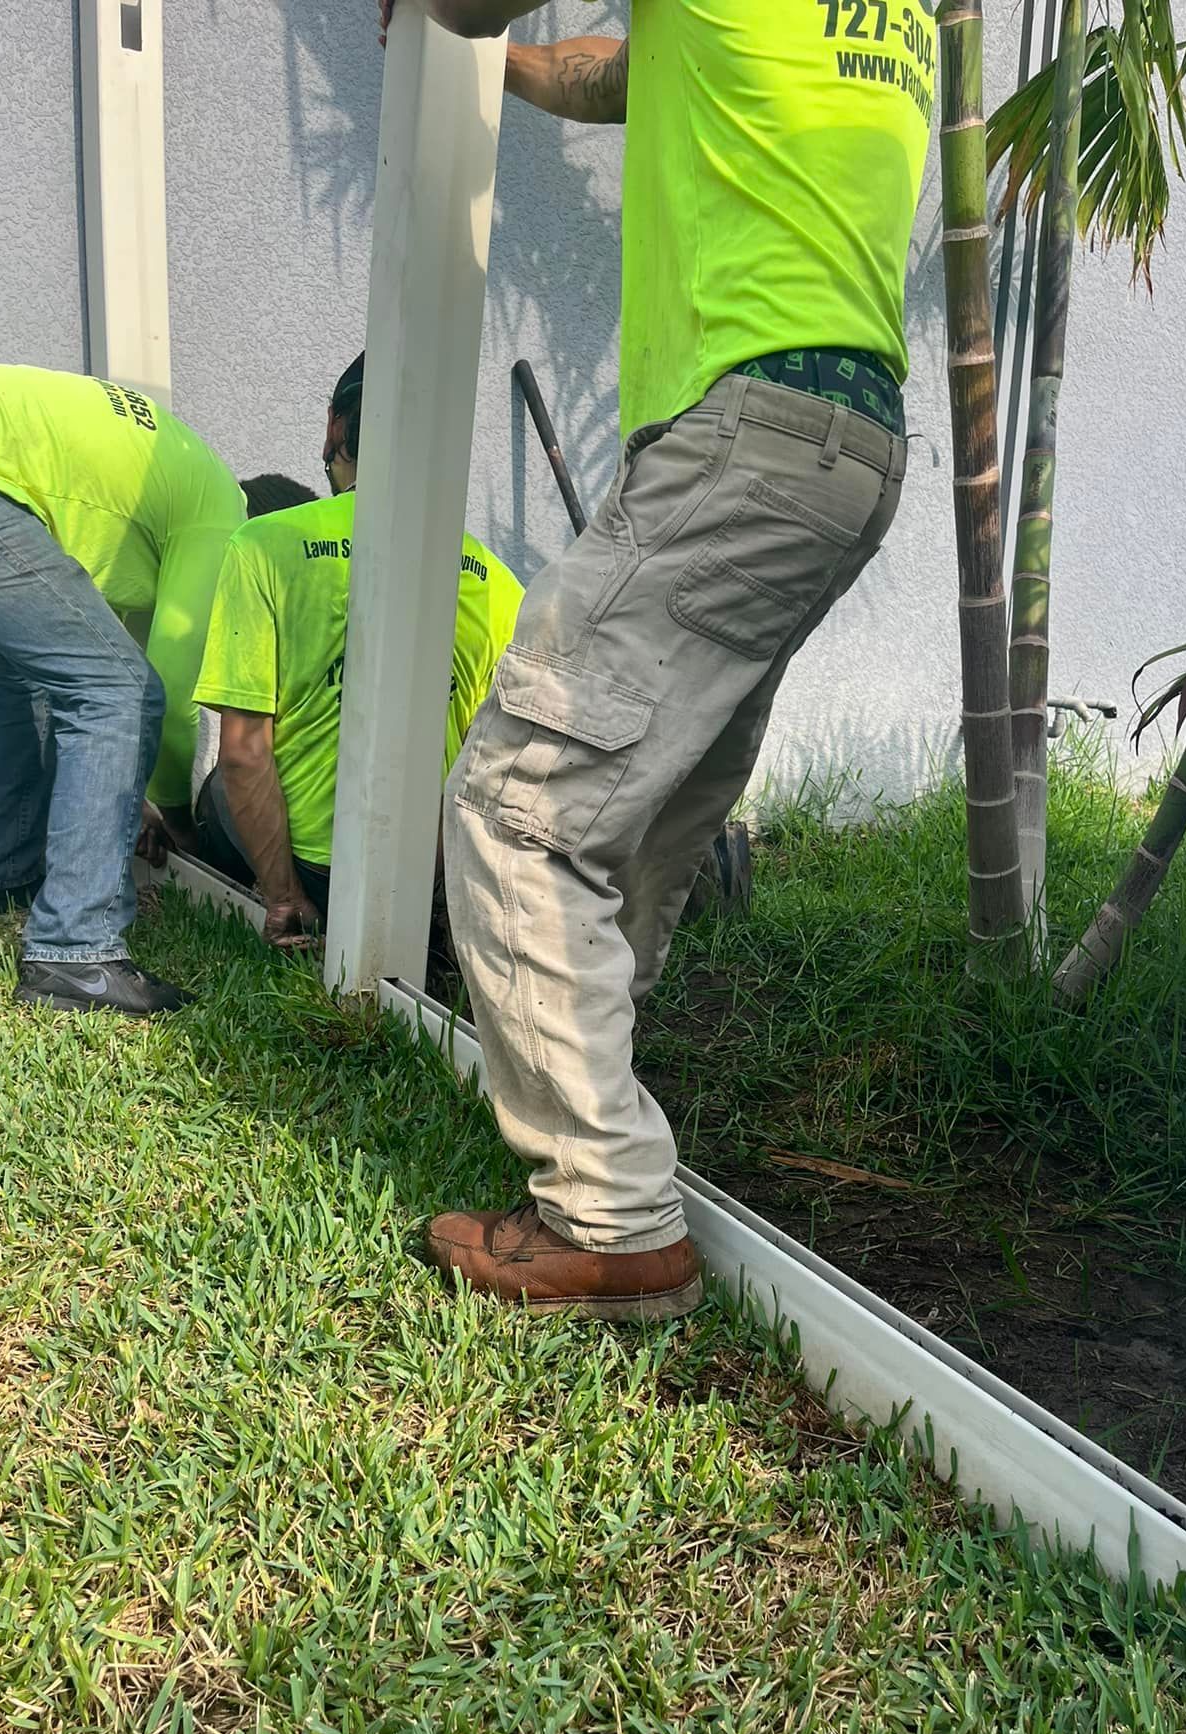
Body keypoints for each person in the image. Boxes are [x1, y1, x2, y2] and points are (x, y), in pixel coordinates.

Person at [380, 0, 932, 1321]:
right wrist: (491, 72)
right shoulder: (893, 16)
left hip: (740, 429)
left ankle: (613, 1216)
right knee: (646, 823)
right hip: (847, 446)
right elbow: (615, 74)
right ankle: (596, 1140)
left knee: (520, 807)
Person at [0, 362, 253, 1012]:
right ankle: (79, 954)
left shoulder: (146, 509)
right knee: (119, 686)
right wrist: (180, 821)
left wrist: (121, 787)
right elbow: (163, 690)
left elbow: (87, 666)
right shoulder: (229, 521)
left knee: (31, 675)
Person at [191, 353, 524, 950]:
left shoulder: (264, 546)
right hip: (427, 875)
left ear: (336, 431)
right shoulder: (500, 584)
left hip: (320, 872)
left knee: (217, 789)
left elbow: (244, 755)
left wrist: (285, 897)